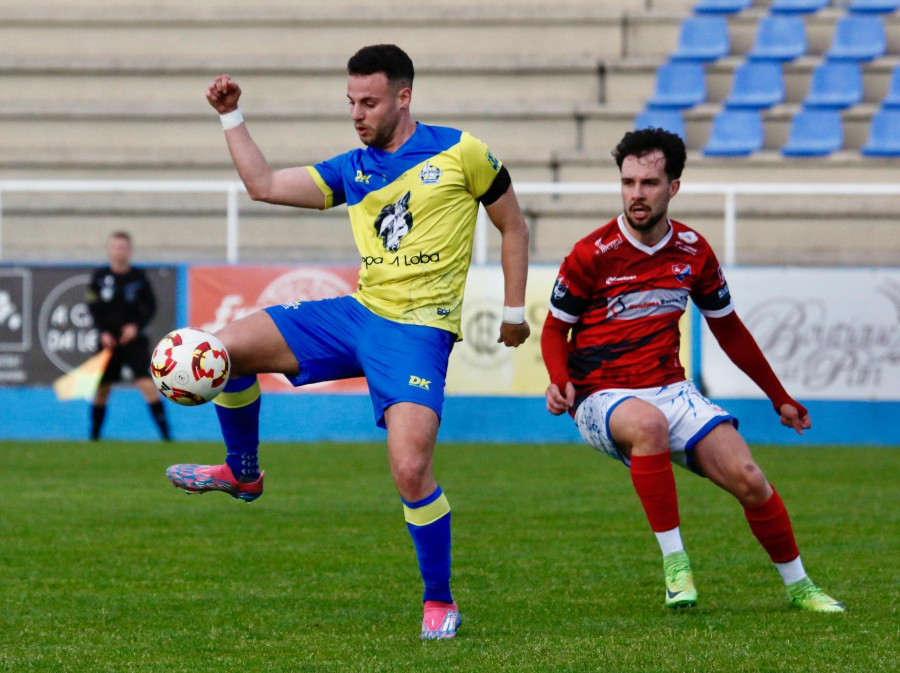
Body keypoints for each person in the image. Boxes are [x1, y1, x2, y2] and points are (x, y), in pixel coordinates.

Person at [165, 44, 531, 639]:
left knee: (411, 470)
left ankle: (439, 600)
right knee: (222, 350)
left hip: (417, 331)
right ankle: (243, 471)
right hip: (357, 313)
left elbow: (512, 223)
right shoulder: (351, 168)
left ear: (404, 97)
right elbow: (261, 184)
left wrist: (514, 311)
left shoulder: (462, 152)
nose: (357, 114)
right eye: (351, 102)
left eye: (369, 102)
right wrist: (231, 114)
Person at [540, 128, 844, 614]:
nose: (636, 194)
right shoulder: (591, 253)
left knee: (749, 477)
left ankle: (801, 586)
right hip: (600, 395)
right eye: (628, 182)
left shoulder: (692, 250)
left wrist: (778, 396)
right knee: (648, 425)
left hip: (670, 389)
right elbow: (555, 329)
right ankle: (676, 566)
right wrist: (559, 380)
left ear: (673, 186)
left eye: (649, 183)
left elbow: (730, 330)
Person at [86, 230, 170, 441]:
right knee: (101, 389)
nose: (119, 251)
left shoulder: (138, 277)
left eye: (123, 247)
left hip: (133, 341)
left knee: (147, 385)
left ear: (130, 251)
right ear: (109, 250)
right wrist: (103, 331)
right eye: (115, 247)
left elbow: (150, 307)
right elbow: (92, 306)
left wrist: (136, 326)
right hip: (108, 341)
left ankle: (166, 436)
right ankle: (93, 437)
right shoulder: (99, 277)